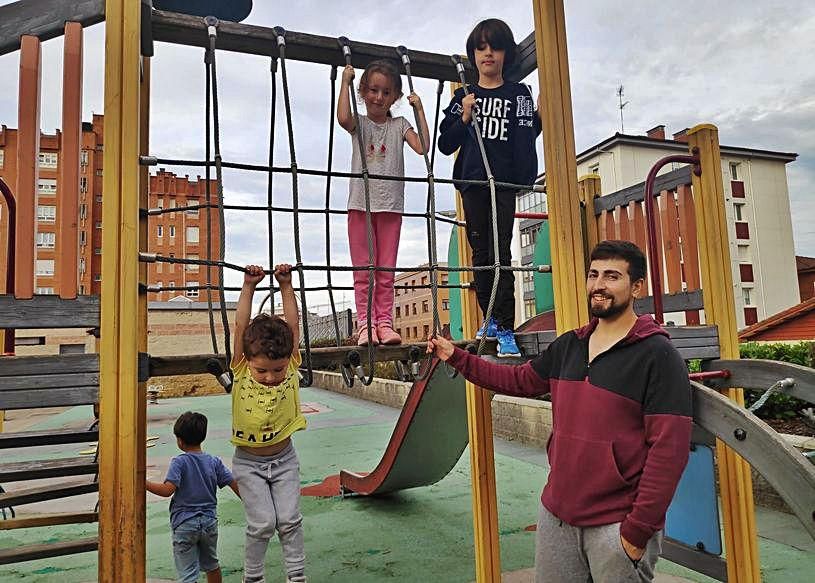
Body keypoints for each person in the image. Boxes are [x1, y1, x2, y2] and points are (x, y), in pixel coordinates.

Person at [427, 241, 692, 583]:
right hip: (557, 516)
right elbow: (517, 380)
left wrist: (636, 532)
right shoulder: (570, 346)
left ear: (637, 286)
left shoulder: (657, 355)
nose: (599, 284)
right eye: (594, 275)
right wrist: (457, 357)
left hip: (616, 523)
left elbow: (668, 451)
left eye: (612, 276)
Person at [438, 18, 542, 357]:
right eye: (481, 48)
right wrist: (464, 116)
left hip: (503, 184)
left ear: (505, 54)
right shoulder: (463, 95)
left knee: (502, 253)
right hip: (473, 182)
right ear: (473, 54)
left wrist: (539, 113)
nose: (488, 54)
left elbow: (526, 135)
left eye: (495, 47)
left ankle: (506, 325)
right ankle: (492, 319)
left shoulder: (518, 94)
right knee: (481, 253)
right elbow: (445, 141)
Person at [337, 59, 430, 346]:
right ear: (363, 92)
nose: (379, 97)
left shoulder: (400, 124)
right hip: (360, 205)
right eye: (373, 90)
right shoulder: (360, 124)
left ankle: (385, 323)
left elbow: (423, 147)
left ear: (395, 97)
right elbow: (343, 119)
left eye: (386, 92)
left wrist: (420, 110)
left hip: (390, 206)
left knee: (386, 270)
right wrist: (344, 83)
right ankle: (365, 324)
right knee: (364, 269)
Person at [231, 264, 308, 583]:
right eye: (262, 371)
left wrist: (286, 286)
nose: (271, 377)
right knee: (262, 523)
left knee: (289, 519)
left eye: (276, 370)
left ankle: (297, 576)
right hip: (248, 464)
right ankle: (254, 576)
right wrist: (248, 286)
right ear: (248, 362)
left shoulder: (289, 366)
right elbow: (240, 325)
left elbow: (292, 324)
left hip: (285, 459)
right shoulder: (239, 368)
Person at [146, 411, 240, 583]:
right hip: (209, 522)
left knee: (188, 572)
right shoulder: (214, 461)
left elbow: (167, 490)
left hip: (185, 523)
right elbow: (234, 484)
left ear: (180, 441)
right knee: (212, 564)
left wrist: (143, 483)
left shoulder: (179, 462)